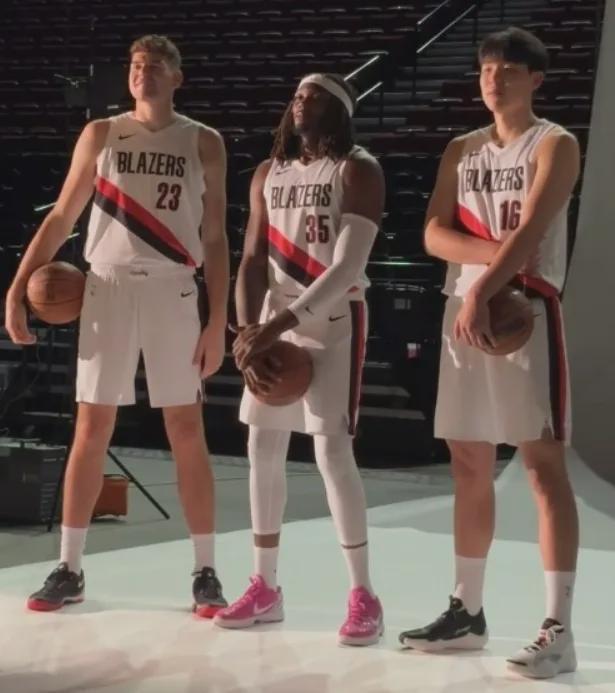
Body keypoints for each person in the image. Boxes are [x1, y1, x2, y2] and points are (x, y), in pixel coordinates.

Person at [4, 35, 229, 617]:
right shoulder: (101, 133)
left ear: (177, 77)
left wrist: (219, 319)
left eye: (154, 65)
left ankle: (205, 570)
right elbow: (62, 215)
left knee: (186, 427)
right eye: (135, 65)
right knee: (91, 426)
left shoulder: (203, 140)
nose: (142, 72)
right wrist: (18, 286)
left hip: (174, 287)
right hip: (106, 285)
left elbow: (215, 236)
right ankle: (69, 566)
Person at [398, 28, 580, 679]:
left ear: (535, 79)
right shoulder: (461, 148)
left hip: (522, 312)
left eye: (507, 70)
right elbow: (431, 233)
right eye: (486, 71)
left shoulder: (554, 143)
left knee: (541, 465)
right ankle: (466, 611)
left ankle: (558, 628)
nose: (494, 80)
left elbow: (532, 230)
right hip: (467, 311)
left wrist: (484, 287)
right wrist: (480, 276)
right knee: (468, 461)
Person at [212, 73, 385, 646]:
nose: (300, 102)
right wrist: (246, 331)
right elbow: (251, 258)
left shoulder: (358, 169)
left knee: (332, 452)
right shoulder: (269, 171)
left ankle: (363, 594)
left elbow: (348, 266)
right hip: (273, 320)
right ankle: (264, 585)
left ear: (339, 110)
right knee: (262, 447)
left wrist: (272, 328)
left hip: (333, 320)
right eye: (296, 96)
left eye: (313, 96)